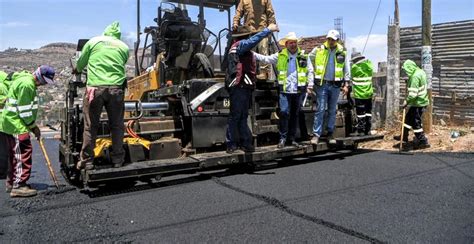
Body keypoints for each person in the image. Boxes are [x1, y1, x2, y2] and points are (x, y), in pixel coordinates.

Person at [74, 21, 130, 169]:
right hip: (116, 89)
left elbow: (80, 63)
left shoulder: (93, 41)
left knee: (90, 126)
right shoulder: (123, 47)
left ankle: (87, 161)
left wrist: (77, 70)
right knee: (117, 125)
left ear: (105, 32)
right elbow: (121, 62)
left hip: (95, 89)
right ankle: (118, 160)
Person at [1, 65, 56, 197]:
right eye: (43, 82)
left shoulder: (24, 79)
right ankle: (19, 186)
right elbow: (24, 112)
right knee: (23, 152)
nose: (42, 85)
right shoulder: (27, 85)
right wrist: (33, 127)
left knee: (14, 155)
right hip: (16, 124)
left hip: (11, 122)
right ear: (39, 76)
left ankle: (12, 183)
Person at [253, 32, 313, 148]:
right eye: (290, 43)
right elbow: (266, 59)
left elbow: (310, 70)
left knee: (295, 114)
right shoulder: (280, 55)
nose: (293, 45)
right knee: (284, 112)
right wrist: (253, 54)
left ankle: (292, 138)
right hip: (285, 90)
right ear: (286, 44)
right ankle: (282, 138)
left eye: (294, 42)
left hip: (298, 90)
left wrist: (310, 85)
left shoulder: (303, 55)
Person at [226, 23, 279, 154]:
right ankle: (232, 144)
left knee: (242, 116)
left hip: (244, 87)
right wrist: (267, 30)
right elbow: (252, 41)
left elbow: (267, 59)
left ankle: (244, 143)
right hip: (239, 86)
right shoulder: (240, 46)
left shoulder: (247, 52)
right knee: (236, 115)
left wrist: (281, 55)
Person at [308, 30, 349, 144]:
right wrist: (311, 73)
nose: (330, 41)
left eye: (333, 40)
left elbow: (346, 68)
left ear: (337, 40)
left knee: (332, 110)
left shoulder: (342, 52)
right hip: (322, 84)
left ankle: (330, 134)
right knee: (320, 109)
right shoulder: (319, 50)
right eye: (329, 39)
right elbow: (308, 59)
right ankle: (316, 134)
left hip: (335, 85)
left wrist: (346, 84)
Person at [233, 0, 276, 80]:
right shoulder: (244, 1)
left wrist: (272, 25)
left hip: (262, 30)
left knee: (263, 50)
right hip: (249, 31)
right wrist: (235, 23)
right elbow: (238, 13)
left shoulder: (265, 0)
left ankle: (264, 73)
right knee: (249, 53)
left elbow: (270, 13)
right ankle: (250, 72)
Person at [394, 59, 430, 149]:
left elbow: (413, 94)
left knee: (415, 123)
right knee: (408, 119)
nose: (405, 72)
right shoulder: (420, 71)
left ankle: (423, 141)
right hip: (420, 101)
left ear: (409, 68)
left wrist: (406, 101)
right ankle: (404, 136)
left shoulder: (414, 77)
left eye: (406, 70)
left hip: (418, 103)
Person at [350, 52, 374, 136]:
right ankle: (368, 130)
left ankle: (361, 131)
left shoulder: (354, 68)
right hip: (368, 93)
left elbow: (351, 77)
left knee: (360, 113)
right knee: (368, 112)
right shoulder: (369, 66)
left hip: (359, 95)